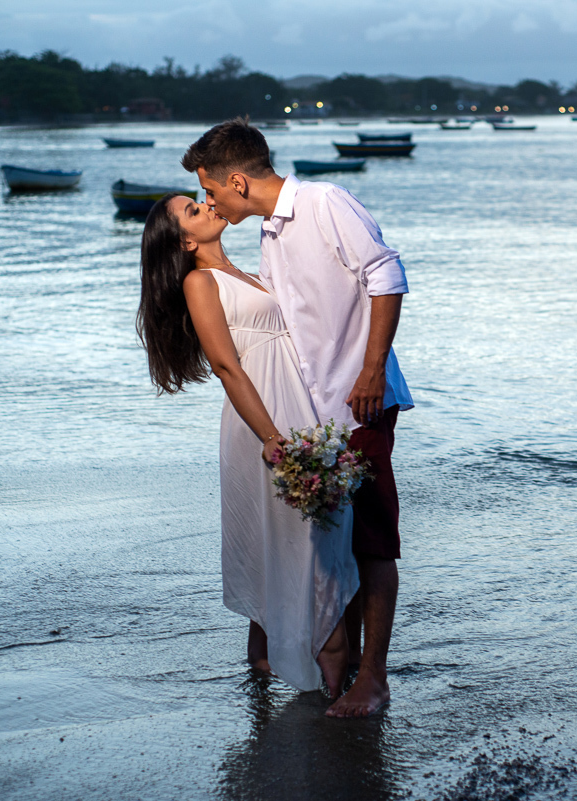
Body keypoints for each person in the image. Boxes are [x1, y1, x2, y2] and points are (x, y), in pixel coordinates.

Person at [182, 118, 412, 718]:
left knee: (371, 543)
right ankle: (340, 665)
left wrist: (371, 369)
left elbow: (386, 275)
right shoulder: (268, 237)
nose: (209, 201)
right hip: (316, 417)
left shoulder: (324, 203)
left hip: (358, 402)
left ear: (236, 180)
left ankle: (374, 681)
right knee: (337, 546)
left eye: (208, 190)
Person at [136, 190, 359, 701]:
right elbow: (226, 366)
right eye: (193, 210)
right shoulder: (200, 282)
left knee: (293, 532)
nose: (206, 205)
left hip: (295, 403)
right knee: (296, 534)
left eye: (199, 200)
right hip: (261, 415)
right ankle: (328, 671)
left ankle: (264, 659)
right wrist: (272, 438)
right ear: (186, 242)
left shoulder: (251, 270)